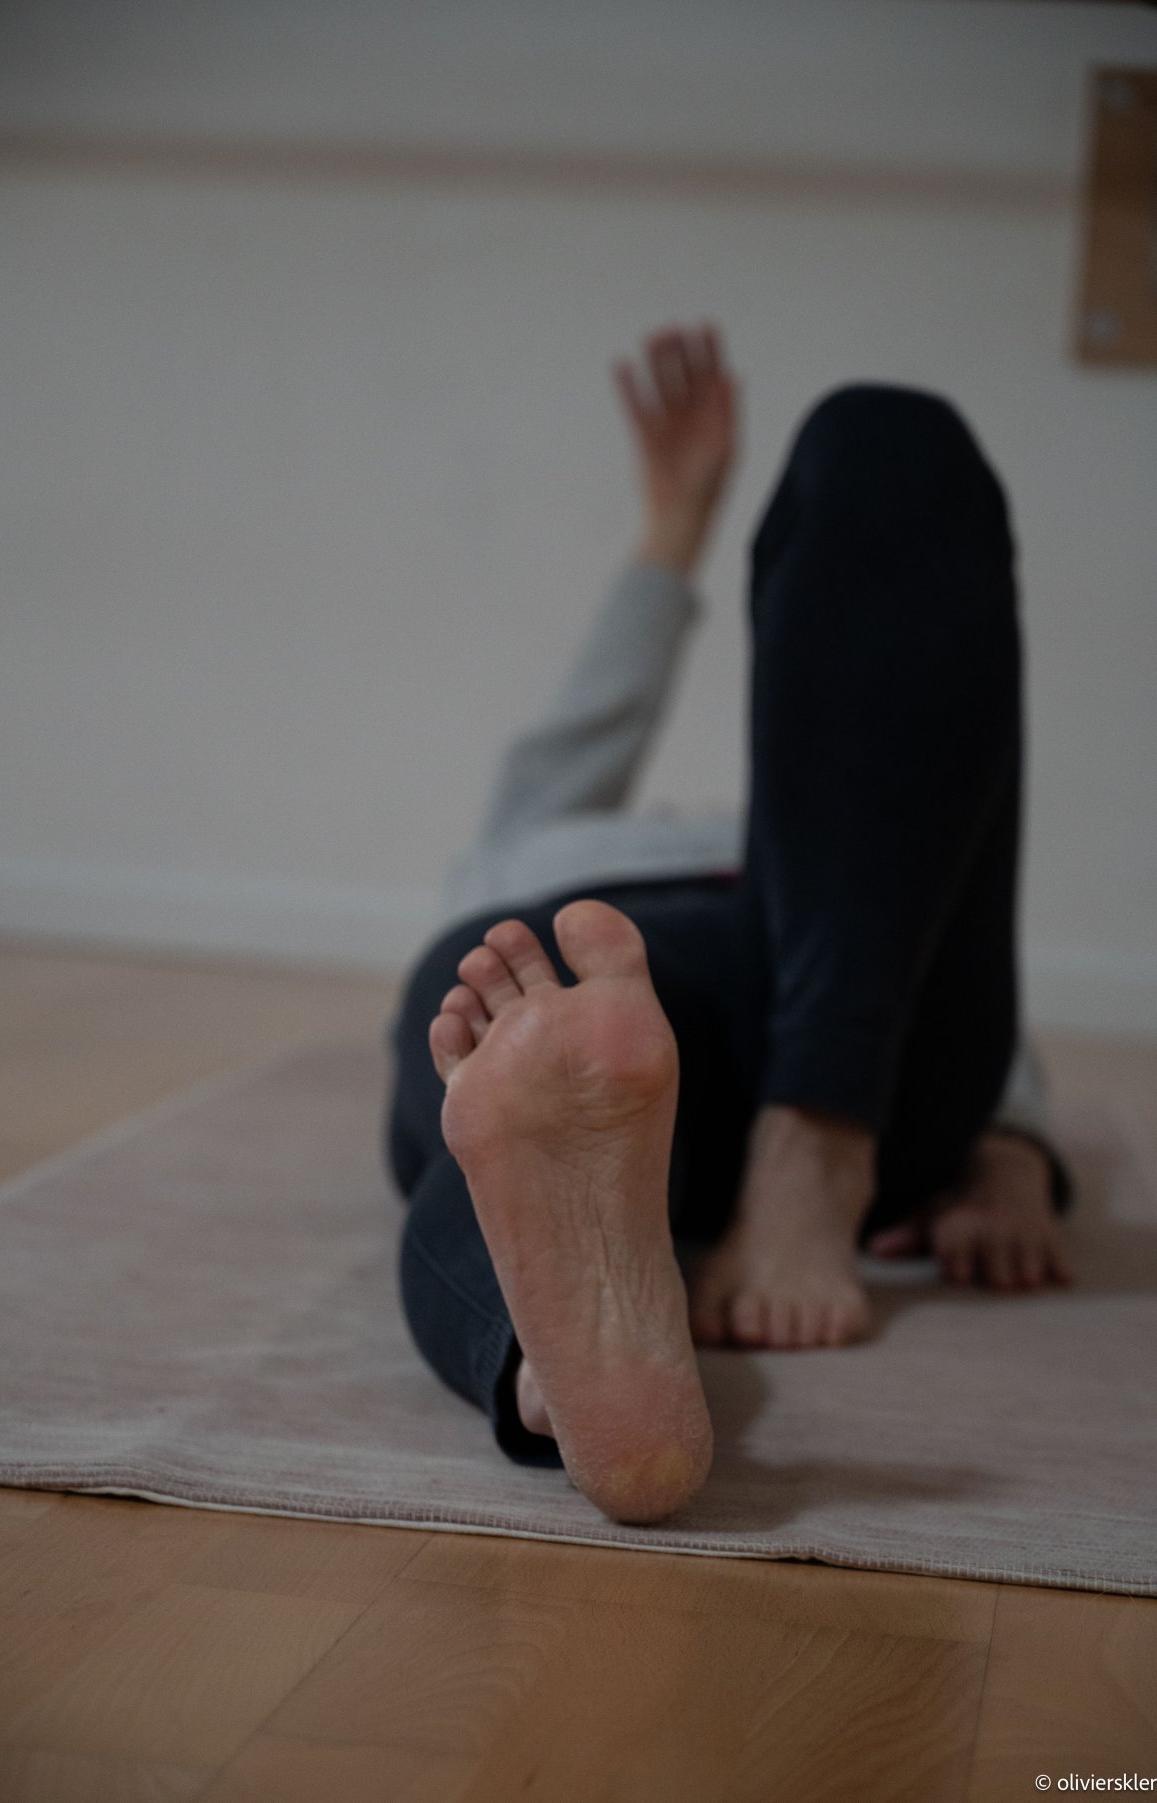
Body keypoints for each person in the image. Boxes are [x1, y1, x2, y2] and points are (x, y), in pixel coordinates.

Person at [384, 324, 1075, 1527]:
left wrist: (1010, 1149)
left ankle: (798, 1147)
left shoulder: (865, 831)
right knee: (503, 1056)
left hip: (834, 1009)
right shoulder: (544, 836)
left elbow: (922, 882)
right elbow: (587, 726)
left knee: (884, 432)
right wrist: (673, 529)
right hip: (586, 998)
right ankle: (558, 1362)